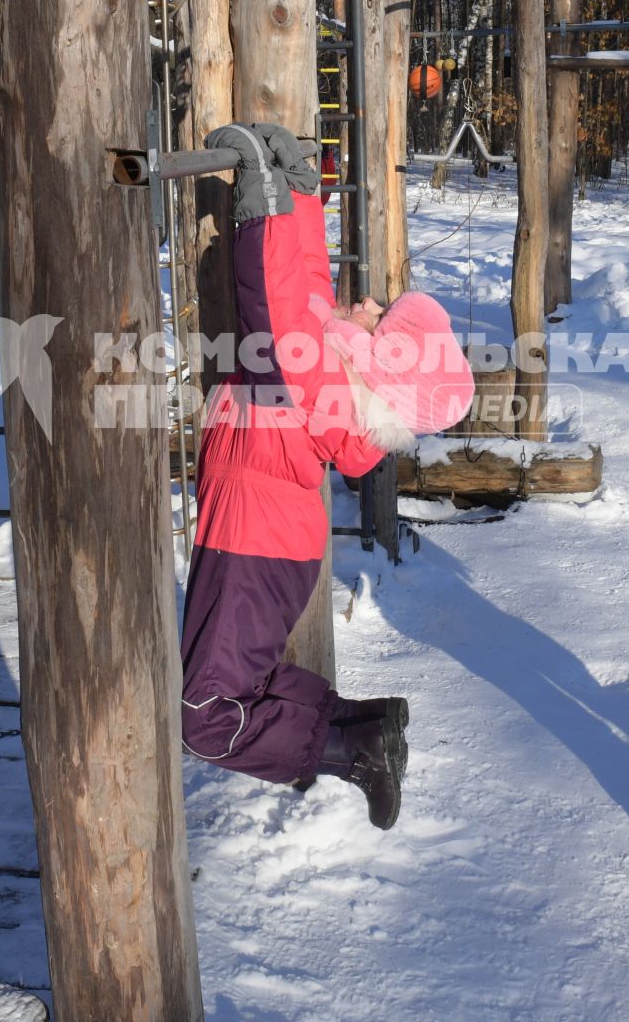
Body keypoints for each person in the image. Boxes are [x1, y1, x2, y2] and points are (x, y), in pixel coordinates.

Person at [179, 122, 473, 829]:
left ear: (377, 364)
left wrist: (264, 207)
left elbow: (278, 312)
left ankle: (352, 750)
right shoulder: (337, 385)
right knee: (240, 685)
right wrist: (303, 199)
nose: (367, 305)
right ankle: (364, 726)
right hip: (266, 541)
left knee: (209, 717)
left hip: (252, 543)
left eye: (379, 319)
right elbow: (304, 298)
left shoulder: (321, 383)